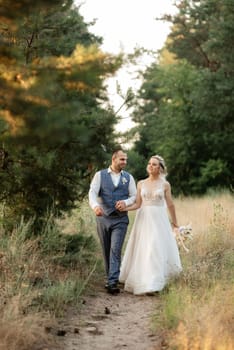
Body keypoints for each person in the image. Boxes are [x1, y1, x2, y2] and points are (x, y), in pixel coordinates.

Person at [119, 155, 182, 295]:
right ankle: (144, 280)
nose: (151, 166)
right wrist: (125, 208)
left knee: (155, 247)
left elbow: (170, 204)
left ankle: (154, 283)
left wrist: (175, 223)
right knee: (144, 248)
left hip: (159, 219)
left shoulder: (165, 185)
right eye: (149, 164)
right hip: (143, 219)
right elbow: (137, 204)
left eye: (154, 164)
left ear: (160, 168)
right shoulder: (141, 183)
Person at [88, 148, 137, 295]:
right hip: (103, 218)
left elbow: (134, 196)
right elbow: (92, 192)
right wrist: (95, 206)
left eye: (126, 159)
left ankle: (112, 282)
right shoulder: (100, 175)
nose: (125, 162)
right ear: (114, 159)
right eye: (122, 159)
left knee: (115, 250)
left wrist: (126, 202)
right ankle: (110, 277)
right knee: (106, 249)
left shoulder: (128, 177)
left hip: (120, 220)